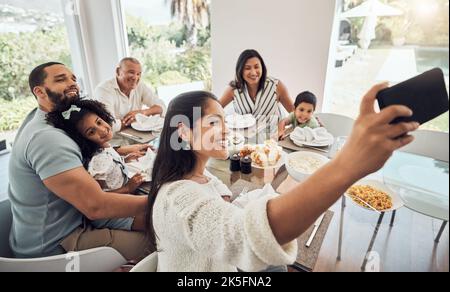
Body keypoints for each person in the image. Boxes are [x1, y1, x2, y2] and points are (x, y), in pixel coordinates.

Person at [146, 86, 419, 272]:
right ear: (182, 131)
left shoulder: (203, 176)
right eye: (214, 122)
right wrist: (348, 165)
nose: (225, 129)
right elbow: (242, 234)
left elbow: (224, 205)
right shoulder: (176, 198)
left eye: (224, 121)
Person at [8, 62, 151, 260]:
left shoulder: (44, 117)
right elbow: (96, 206)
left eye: (73, 78)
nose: (72, 83)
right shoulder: (46, 138)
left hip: (69, 220)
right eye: (61, 79)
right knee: (159, 244)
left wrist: (121, 150)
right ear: (39, 92)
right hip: (56, 244)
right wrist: (160, 200)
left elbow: (75, 157)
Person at [46, 99, 148, 195]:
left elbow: (110, 167)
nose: (102, 130)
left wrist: (125, 160)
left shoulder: (105, 147)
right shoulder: (99, 160)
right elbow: (100, 196)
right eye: (91, 132)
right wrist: (127, 188)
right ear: (83, 140)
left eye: (99, 122)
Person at [219, 49, 295, 123]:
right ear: (240, 70)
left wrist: (284, 125)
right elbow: (215, 109)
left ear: (262, 67)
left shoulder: (276, 86)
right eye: (247, 68)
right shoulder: (233, 89)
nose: (253, 72)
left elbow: (295, 113)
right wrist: (224, 124)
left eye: (256, 67)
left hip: (274, 134)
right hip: (245, 135)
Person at [94, 57, 166, 132]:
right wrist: (135, 119)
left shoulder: (140, 86)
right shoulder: (103, 90)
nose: (135, 77)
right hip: (116, 141)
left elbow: (162, 107)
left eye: (138, 74)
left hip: (139, 136)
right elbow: (110, 125)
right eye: (131, 72)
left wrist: (142, 113)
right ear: (118, 71)